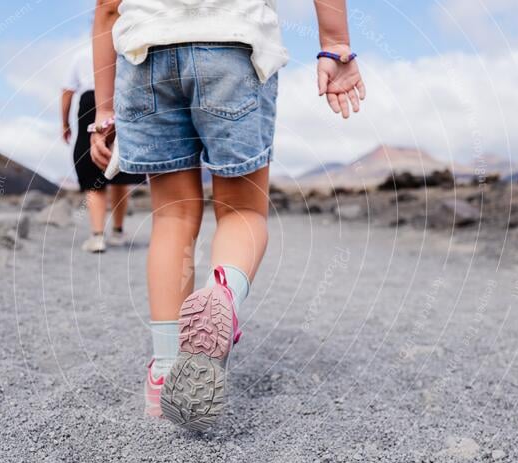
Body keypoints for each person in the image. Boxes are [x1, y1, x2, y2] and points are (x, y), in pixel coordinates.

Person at [90, 0, 366, 427]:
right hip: (232, 45)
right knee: (242, 211)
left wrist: (104, 110)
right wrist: (335, 45)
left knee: (172, 218)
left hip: (145, 55)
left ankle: (165, 371)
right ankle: (221, 295)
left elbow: (108, 7)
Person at [62, 43, 145, 253]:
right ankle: (117, 232)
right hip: (123, 95)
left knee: (92, 170)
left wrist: (64, 123)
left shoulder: (81, 54)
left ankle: (97, 236)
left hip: (91, 100)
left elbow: (67, 91)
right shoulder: (127, 47)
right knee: (120, 166)